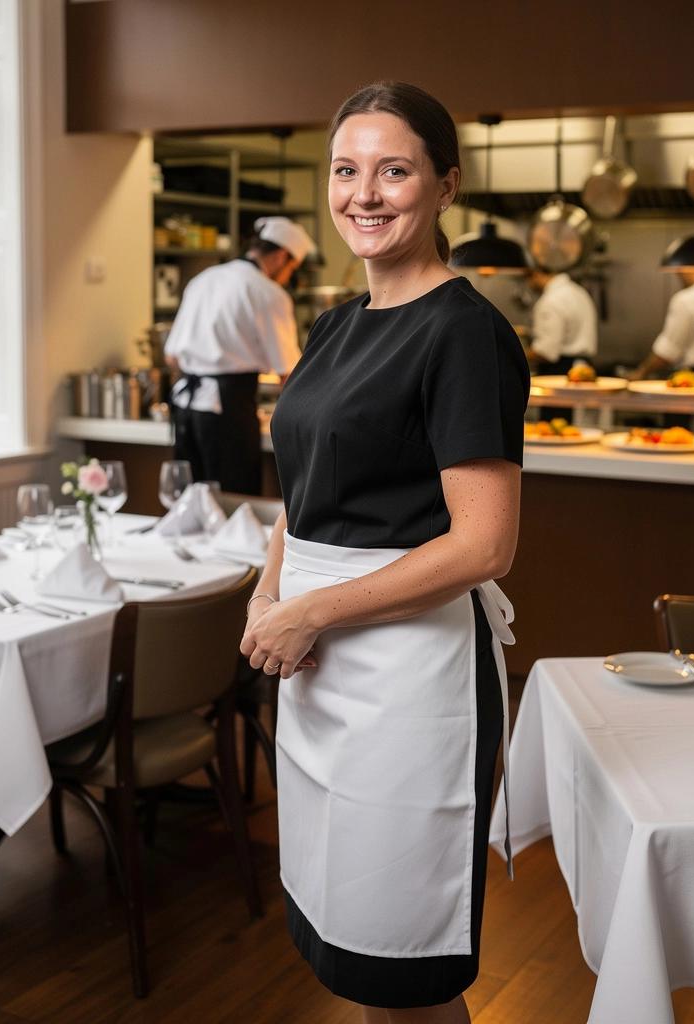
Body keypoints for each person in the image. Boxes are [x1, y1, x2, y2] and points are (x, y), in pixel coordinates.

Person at [240, 82, 529, 1024]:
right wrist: (268, 589)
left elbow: (485, 543)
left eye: (394, 170)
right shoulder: (332, 323)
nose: (365, 193)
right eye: (346, 170)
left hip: (409, 677)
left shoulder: (464, 332)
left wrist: (311, 610)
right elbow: (306, 486)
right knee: (350, 940)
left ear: (446, 185)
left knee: (404, 958)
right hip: (318, 666)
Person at [164, 216, 315, 493]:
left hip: (186, 406)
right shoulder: (268, 292)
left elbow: (171, 357)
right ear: (282, 257)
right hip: (228, 408)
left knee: (190, 502)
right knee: (235, 500)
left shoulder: (204, 278)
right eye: (292, 268)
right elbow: (289, 372)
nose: (289, 276)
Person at [528, 268, 598, 375]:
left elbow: (546, 351)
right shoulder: (579, 292)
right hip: (584, 367)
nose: (529, 284)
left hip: (561, 371)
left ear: (537, 273)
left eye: (528, 278)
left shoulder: (550, 300)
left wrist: (519, 355)